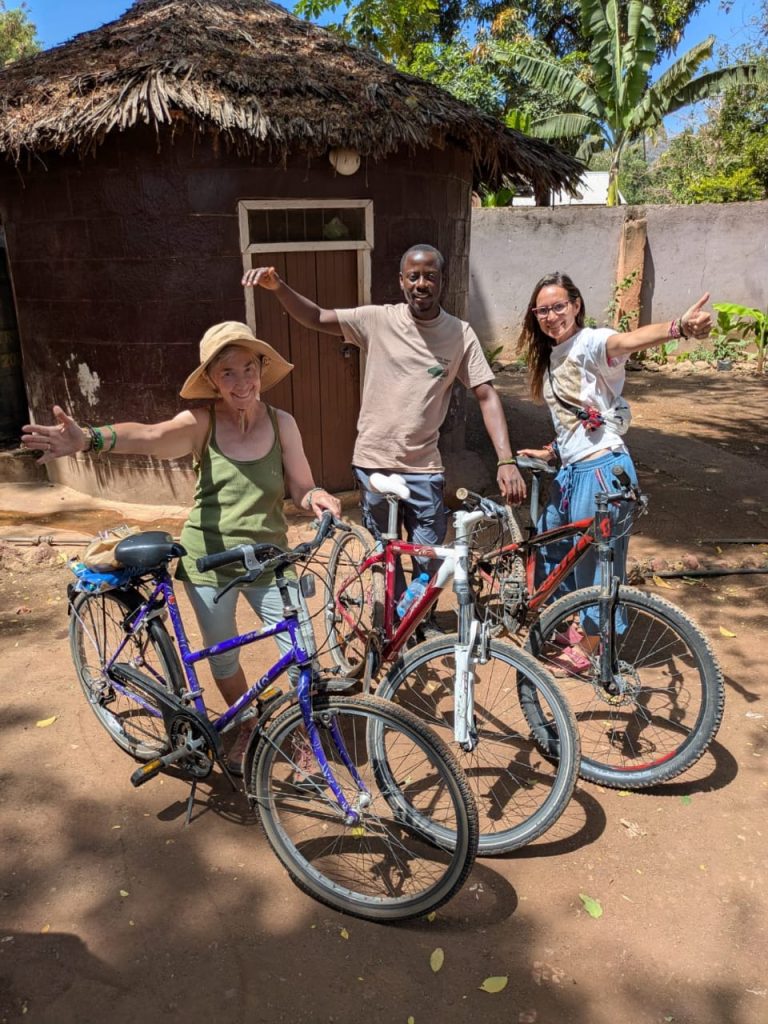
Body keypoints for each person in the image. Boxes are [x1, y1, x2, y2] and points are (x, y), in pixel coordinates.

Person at [21, 321, 341, 772]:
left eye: (248, 368)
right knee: (223, 654)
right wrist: (87, 438)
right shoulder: (201, 423)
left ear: (262, 369)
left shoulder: (282, 423)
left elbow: (302, 487)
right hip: (208, 563)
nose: (241, 382)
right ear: (211, 380)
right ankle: (247, 723)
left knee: (302, 647)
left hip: (270, 560)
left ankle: (303, 728)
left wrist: (317, 498)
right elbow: (150, 436)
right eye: (226, 372)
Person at [242, 244, 526, 598]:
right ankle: (393, 622)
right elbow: (316, 317)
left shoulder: (459, 333)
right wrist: (278, 286)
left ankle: (416, 619)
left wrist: (506, 459)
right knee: (385, 556)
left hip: (424, 468)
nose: (421, 283)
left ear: (441, 281)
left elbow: (486, 394)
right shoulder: (376, 319)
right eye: (414, 276)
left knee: (428, 557)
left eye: (430, 276)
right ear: (402, 281)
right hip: (374, 463)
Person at [516, 271, 711, 670]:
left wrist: (678, 328)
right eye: (542, 310)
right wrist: (554, 451)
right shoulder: (555, 354)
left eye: (558, 307)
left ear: (576, 306)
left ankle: (595, 644)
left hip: (603, 473)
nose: (551, 316)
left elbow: (627, 340)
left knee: (595, 563)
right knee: (554, 551)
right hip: (572, 473)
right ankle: (576, 619)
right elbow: (582, 416)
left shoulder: (590, 342)